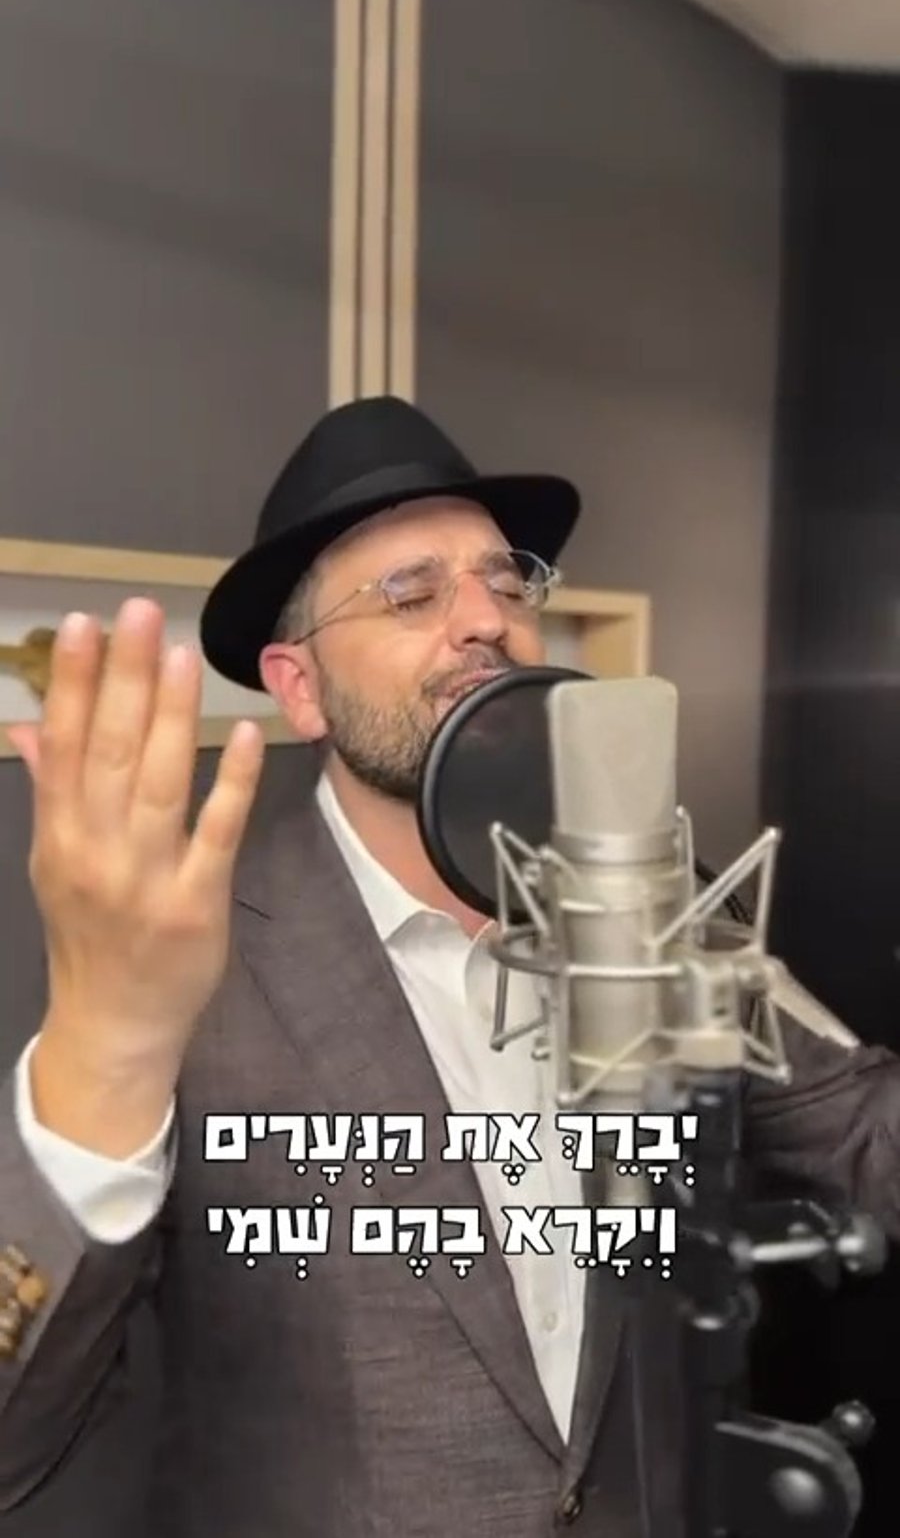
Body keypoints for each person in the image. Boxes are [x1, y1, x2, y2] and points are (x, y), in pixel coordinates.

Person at [0, 395, 898, 1538]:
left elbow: (866, 1131)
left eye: (507, 584)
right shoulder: (188, 958)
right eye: (411, 593)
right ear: (299, 687)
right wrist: (106, 1055)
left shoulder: (651, 893)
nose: (486, 620)